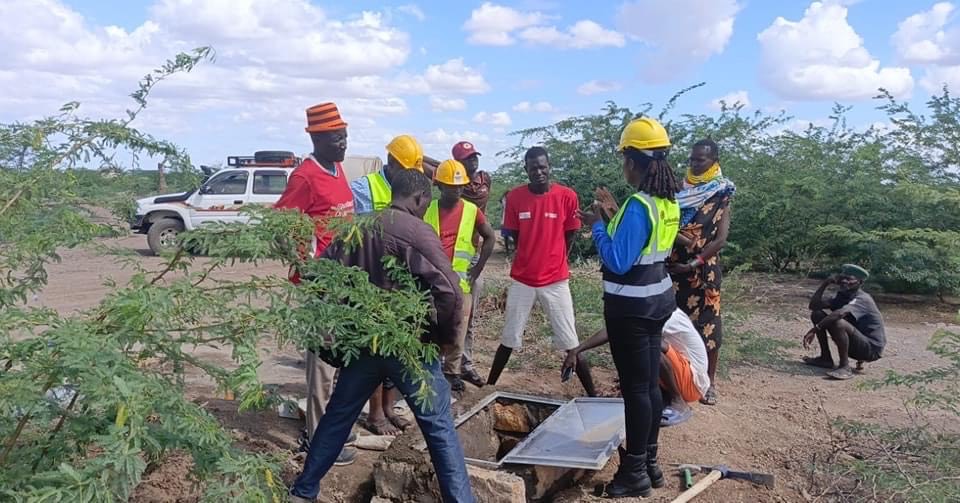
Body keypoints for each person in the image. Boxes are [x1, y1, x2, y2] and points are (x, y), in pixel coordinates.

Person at [289, 169, 474, 503]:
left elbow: (319, 279)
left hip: (364, 345)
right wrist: (442, 340)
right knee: (438, 427)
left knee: (338, 417)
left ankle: (303, 491)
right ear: (418, 198)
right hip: (410, 347)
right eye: (424, 203)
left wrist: (340, 331)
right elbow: (451, 293)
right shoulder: (418, 232)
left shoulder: (356, 229)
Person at [578, 117, 681, 498]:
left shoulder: (640, 204)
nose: (623, 165)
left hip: (632, 308)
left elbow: (618, 259)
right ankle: (649, 462)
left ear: (634, 161)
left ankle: (634, 471)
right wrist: (610, 216)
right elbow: (642, 246)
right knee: (649, 384)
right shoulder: (665, 201)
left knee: (637, 390)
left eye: (624, 158)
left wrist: (596, 226)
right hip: (658, 300)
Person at [274, 102, 358, 466]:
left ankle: (332, 425)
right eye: (337, 137)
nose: (343, 142)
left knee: (340, 359)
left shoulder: (337, 168)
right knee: (321, 363)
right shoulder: (304, 177)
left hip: (343, 284)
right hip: (319, 288)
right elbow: (281, 226)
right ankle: (318, 437)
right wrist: (304, 268)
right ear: (318, 138)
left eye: (345, 135)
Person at [485, 147, 596, 397]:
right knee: (509, 336)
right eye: (533, 167)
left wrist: (555, 259)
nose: (539, 171)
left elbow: (571, 234)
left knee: (571, 341)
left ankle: (594, 395)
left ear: (550, 167)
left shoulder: (567, 196)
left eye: (543, 166)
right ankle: (488, 387)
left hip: (556, 281)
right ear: (526, 169)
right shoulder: (514, 197)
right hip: (523, 279)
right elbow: (513, 234)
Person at [349, 135, 427, 435]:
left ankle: (388, 408)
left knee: (394, 348)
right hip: (370, 279)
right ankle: (374, 415)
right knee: (374, 348)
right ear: (391, 162)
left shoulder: (410, 187)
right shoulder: (364, 188)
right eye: (404, 168)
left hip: (399, 281)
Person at [667, 139, 736, 406]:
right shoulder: (678, 189)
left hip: (703, 270)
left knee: (708, 326)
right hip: (673, 268)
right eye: (692, 160)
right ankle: (674, 379)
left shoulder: (721, 191)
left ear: (714, 159)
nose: (694, 164)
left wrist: (694, 263)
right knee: (671, 325)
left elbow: (720, 239)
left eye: (700, 160)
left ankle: (709, 383)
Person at [561, 309, 710, 427]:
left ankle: (678, 401)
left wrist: (576, 350)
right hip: (681, 374)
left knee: (645, 344)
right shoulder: (649, 307)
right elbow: (615, 329)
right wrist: (577, 350)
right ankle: (658, 394)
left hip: (692, 383)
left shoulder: (663, 314)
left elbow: (616, 331)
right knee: (634, 339)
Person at [425, 159, 496, 396]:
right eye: (450, 186)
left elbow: (490, 238)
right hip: (433, 282)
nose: (455, 190)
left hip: (461, 283)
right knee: (433, 327)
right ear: (439, 186)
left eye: (459, 186)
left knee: (459, 329)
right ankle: (432, 371)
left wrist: (476, 271)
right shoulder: (428, 209)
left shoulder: (471, 210)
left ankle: (452, 373)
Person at [452, 141, 493, 388]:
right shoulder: (457, 184)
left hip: (470, 258)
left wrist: (477, 271)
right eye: (467, 159)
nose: (473, 162)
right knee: (447, 317)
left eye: (474, 157)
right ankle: (452, 367)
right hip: (448, 261)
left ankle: (463, 365)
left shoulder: (480, 184)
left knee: (468, 317)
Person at [803, 264, 886, 380]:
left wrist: (815, 329)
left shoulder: (862, 299)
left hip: (870, 349)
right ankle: (825, 358)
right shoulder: (842, 296)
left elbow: (840, 314)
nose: (844, 281)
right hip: (855, 344)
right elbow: (814, 306)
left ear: (860, 283)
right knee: (818, 314)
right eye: (843, 278)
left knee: (838, 321)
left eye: (850, 279)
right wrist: (825, 283)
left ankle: (845, 367)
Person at [350, 134, 424, 214]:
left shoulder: (414, 194)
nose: (411, 177)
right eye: (405, 171)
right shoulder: (361, 189)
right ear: (391, 161)